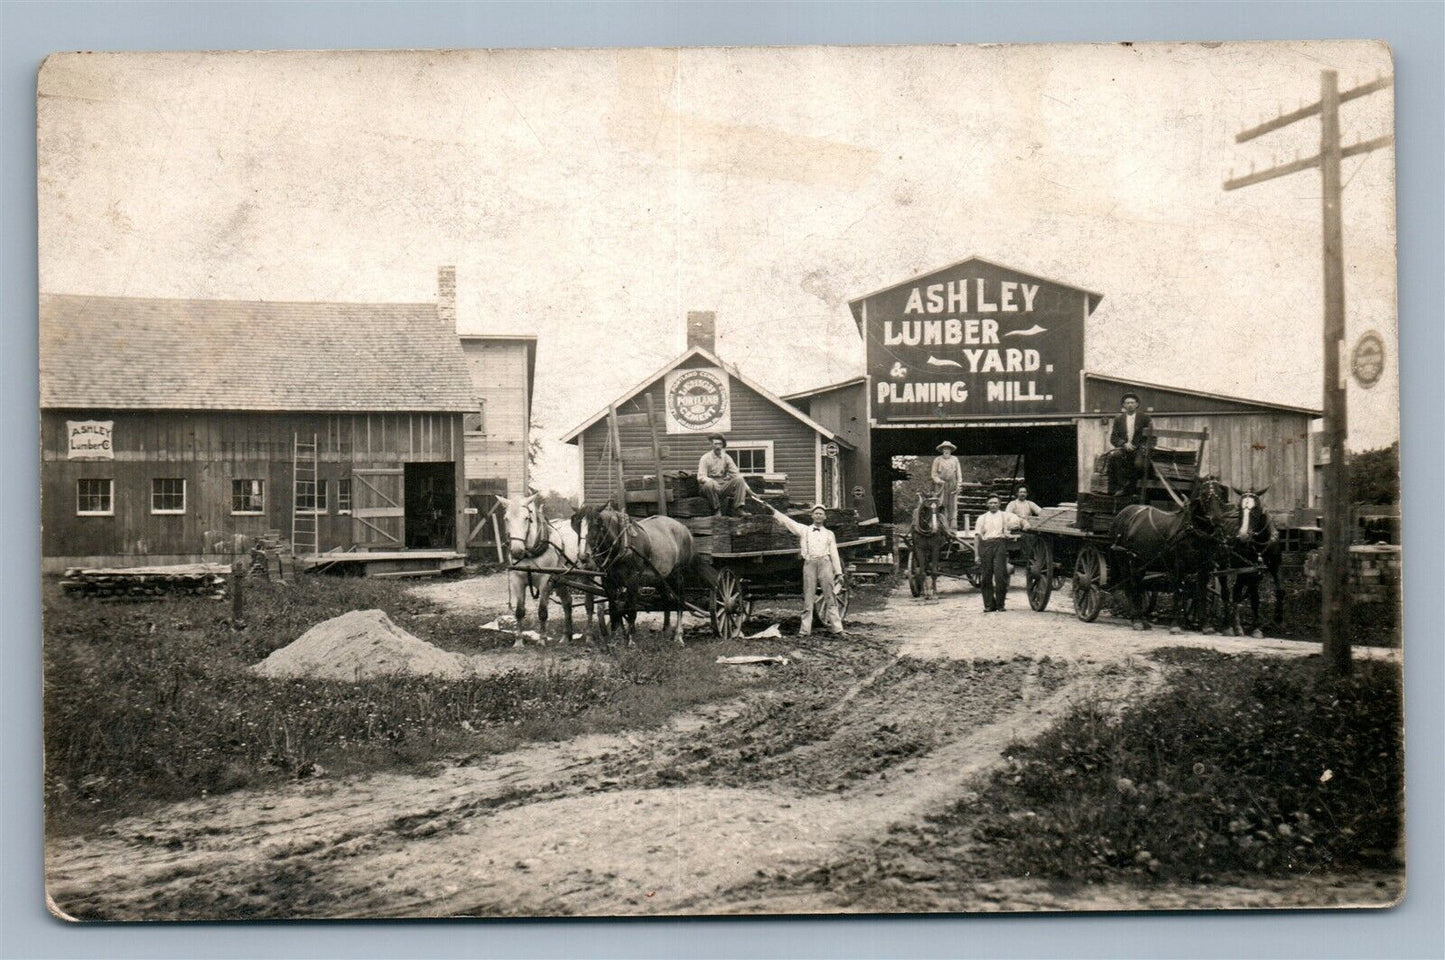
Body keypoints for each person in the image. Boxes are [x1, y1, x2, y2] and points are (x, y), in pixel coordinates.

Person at [759, 499, 845, 636]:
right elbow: (787, 522)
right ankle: (805, 630)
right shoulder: (804, 530)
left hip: (825, 564)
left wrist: (839, 572)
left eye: (821, 514)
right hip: (809, 564)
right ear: (812, 516)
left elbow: (834, 553)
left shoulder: (829, 534)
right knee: (808, 598)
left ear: (825, 517)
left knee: (830, 597)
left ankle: (838, 629)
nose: (818, 516)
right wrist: (773, 511)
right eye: (816, 513)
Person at [974, 495, 1027, 612]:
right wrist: (976, 555)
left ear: (999, 504)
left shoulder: (1005, 515)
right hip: (986, 545)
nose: (993, 505)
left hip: (1000, 545)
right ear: (987, 504)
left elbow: (1018, 519)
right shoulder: (981, 518)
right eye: (991, 503)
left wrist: (1025, 524)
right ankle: (988, 605)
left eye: (995, 503)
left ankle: (1000, 605)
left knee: (1000, 576)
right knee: (986, 577)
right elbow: (977, 537)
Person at [1106, 393, 1154, 494]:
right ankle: (1122, 487)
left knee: (1139, 464)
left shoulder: (1145, 418)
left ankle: (1138, 490)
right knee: (1114, 457)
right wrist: (1124, 444)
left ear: (1137, 404)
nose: (1130, 405)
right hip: (1125, 448)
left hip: (1140, 448)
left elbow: (1151, 437)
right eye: (1127, 403)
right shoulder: (1119, 419)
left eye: (1132, 402)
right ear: (1123, 405)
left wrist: (1143, 447)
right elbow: (1113, 437)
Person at [697, 433, 748, 516]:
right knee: (710, 484)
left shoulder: (726, 457)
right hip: (707, 487)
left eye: (720, 444)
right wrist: (712, 481)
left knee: (739, 480)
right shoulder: (705, 458)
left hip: (721, 485)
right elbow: (701, 477)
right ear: (711, 445)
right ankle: (716, 509)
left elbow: (736, 474)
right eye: (715, 444)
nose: (718, 446)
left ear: (723, 445)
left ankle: (738, 508)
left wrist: (750, 491)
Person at [930, 440, 961, 532]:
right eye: (945, 449)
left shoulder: (955, 459)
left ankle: (952, 527)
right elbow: (933, 474)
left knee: (953, 505)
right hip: (941, 485)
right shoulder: (937, 460)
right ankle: (941, 525)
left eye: (948, 449)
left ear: (951, 450)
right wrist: (939, 481)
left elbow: (959, 473)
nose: (946, 450)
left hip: (952, 484)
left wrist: (959, 484)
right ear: (942, 450)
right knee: (941, 503)